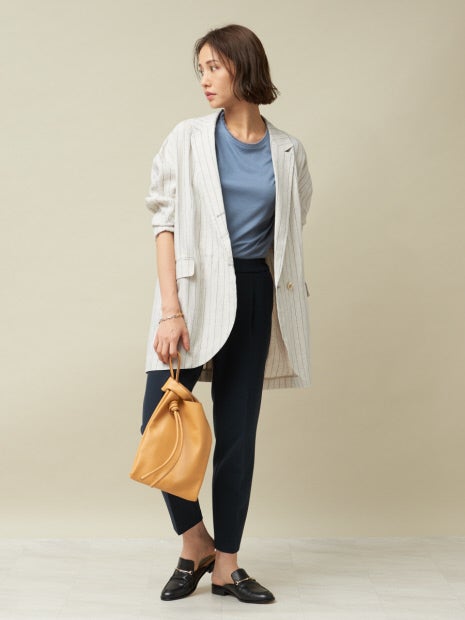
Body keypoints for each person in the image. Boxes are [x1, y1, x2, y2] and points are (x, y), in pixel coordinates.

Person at [140, 24, 313, 605]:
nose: (205, 80)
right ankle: (196, 544)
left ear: (244, 67)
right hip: (190, 294)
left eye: (214, 67)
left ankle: (227, 566)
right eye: (200, 70)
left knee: (237, 435)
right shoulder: (187, 138)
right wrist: (170, 309)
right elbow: (163, 222)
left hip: (254, 291)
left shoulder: (288, 151)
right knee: (159, 419)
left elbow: (290, 227)